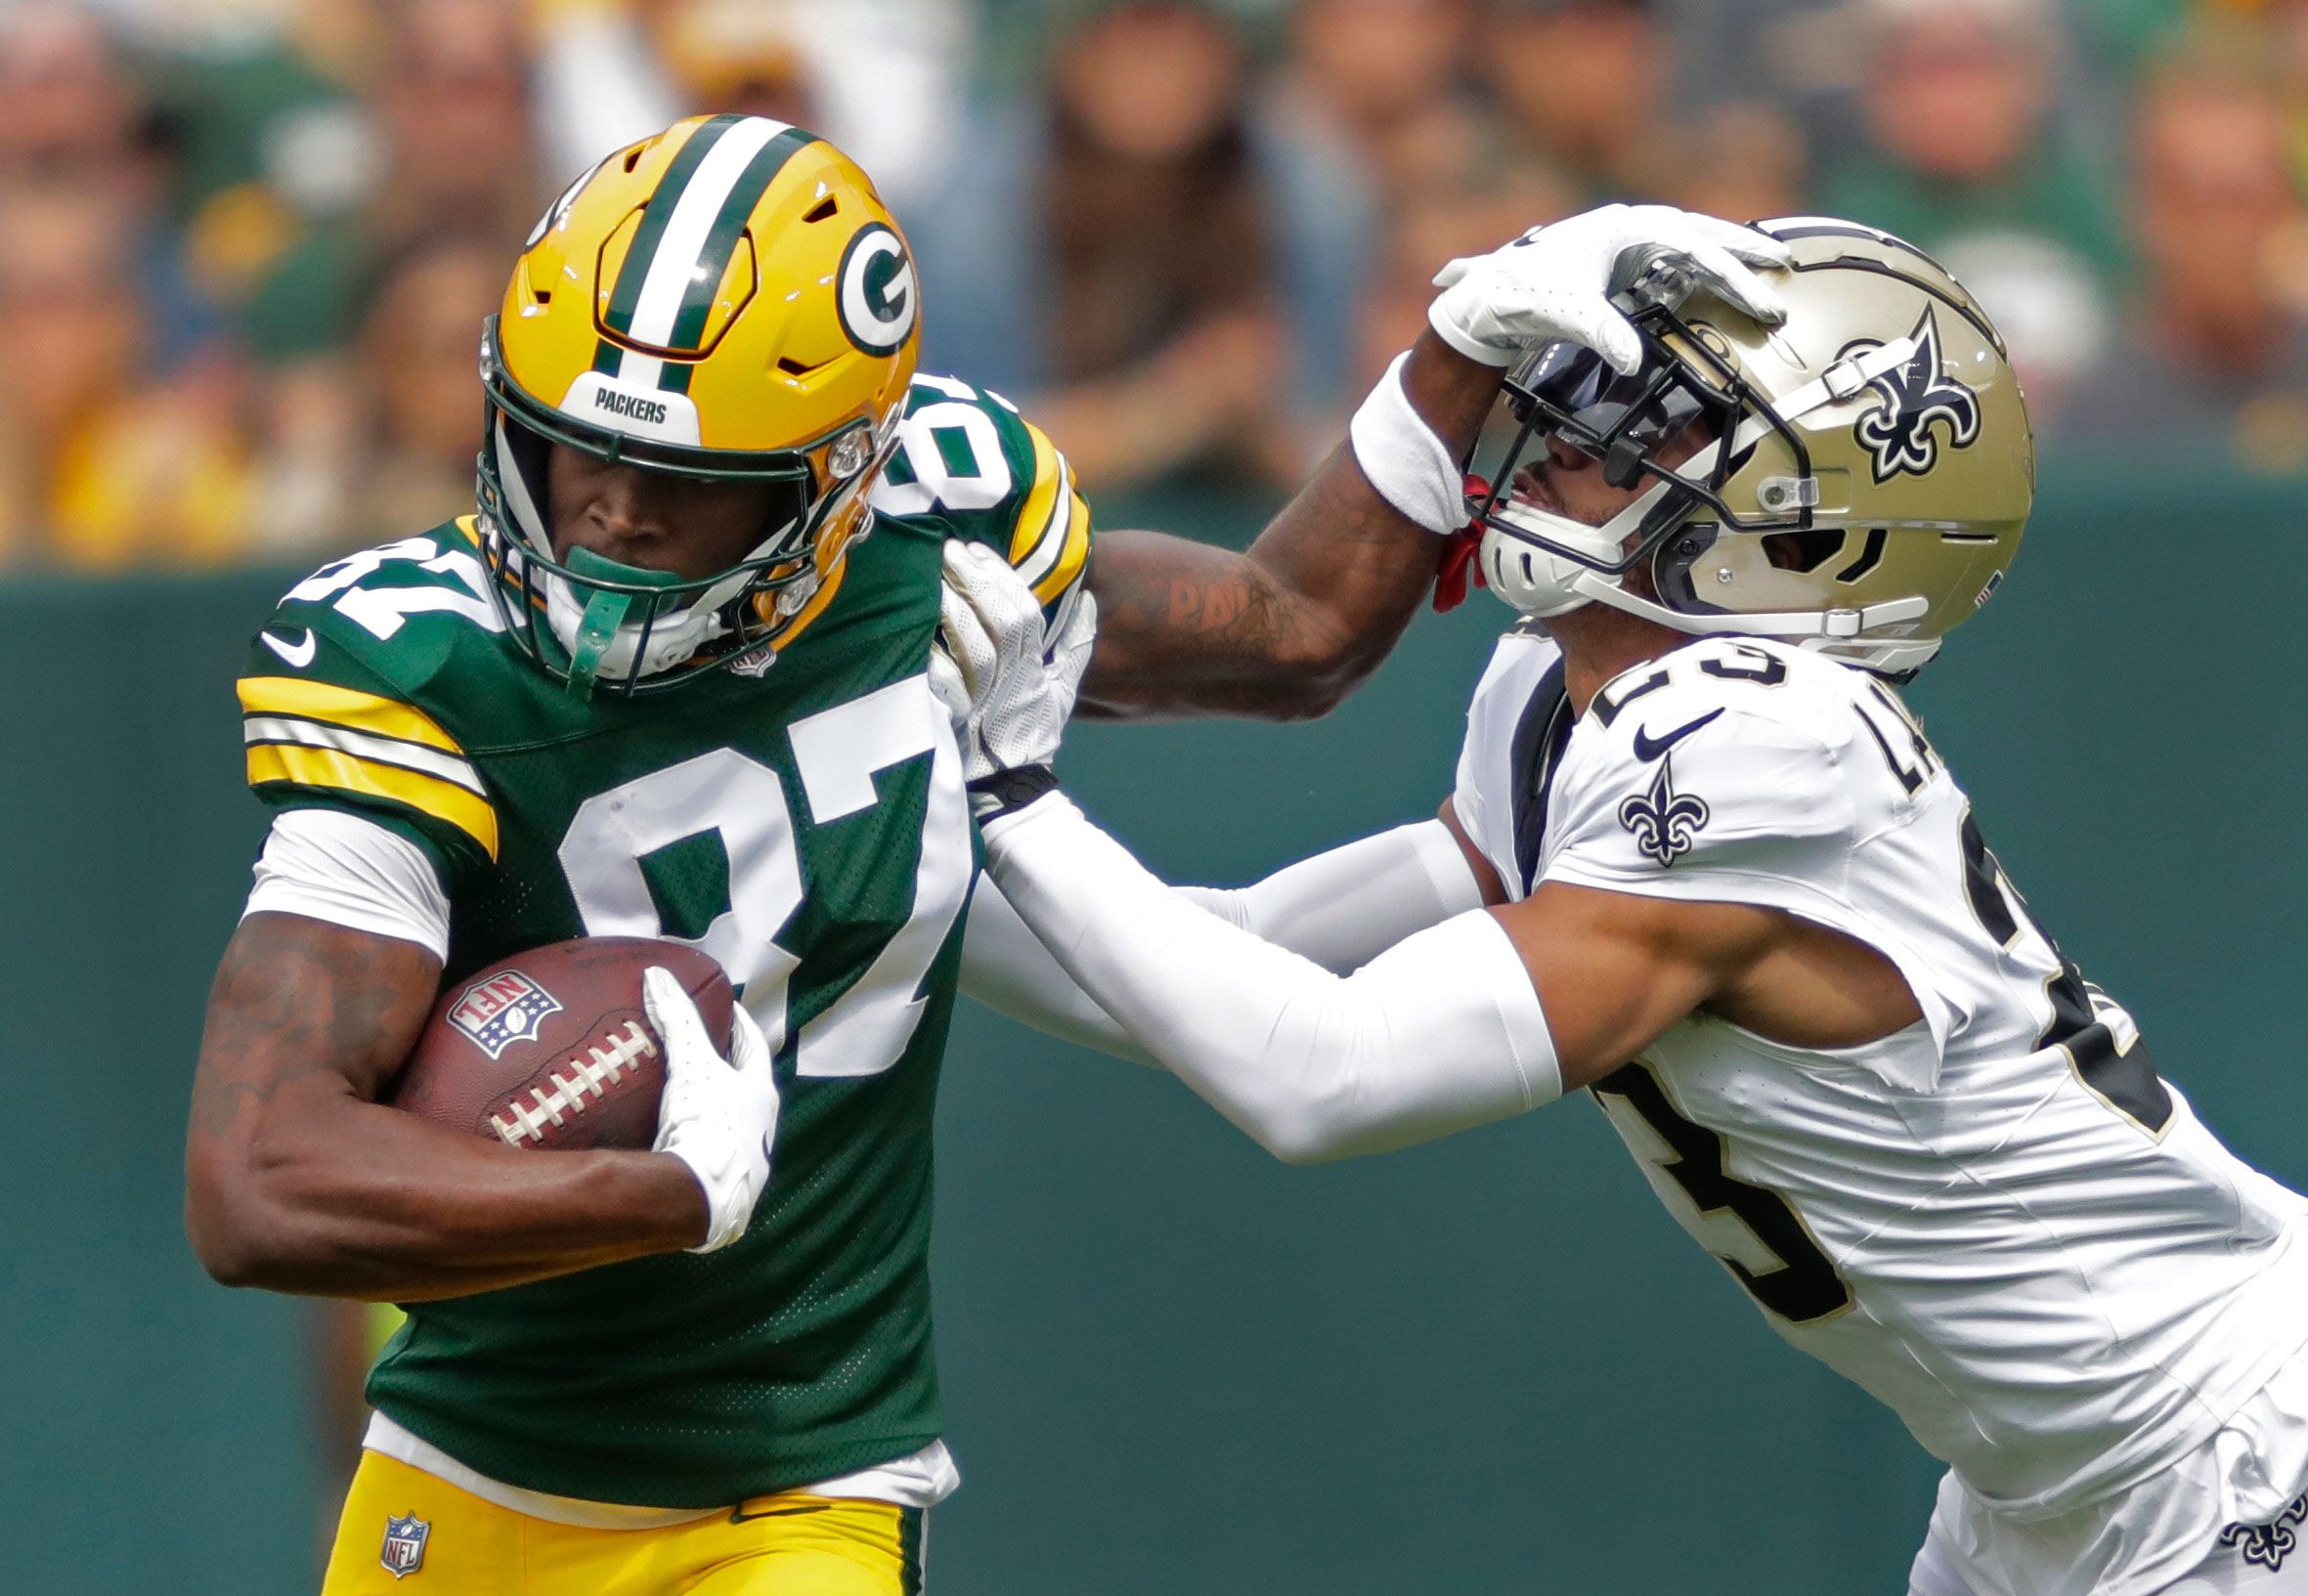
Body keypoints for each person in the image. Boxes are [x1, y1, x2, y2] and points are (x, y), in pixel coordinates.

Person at [180, 111, 1788, 1594]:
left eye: (684, 478)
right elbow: (257, 1179)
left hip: (803, 1470)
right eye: (566, 448)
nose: (605, 509)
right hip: (469, 1470)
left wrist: (1450, 353)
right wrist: (653, 1194)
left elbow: (1290, 633)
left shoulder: (930, 543)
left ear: (839, 476)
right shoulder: (413, 661)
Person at [944, 217, 2308, 1596]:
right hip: (2049, 1494)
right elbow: (1234, 956)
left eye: (1647, 422)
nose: (1560, 431)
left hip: (2233, 1449)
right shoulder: (1560, 699)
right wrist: (901, 867)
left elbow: (1326, 1075)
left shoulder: (1749, 735)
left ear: (1804, 525)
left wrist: (1007, 795)